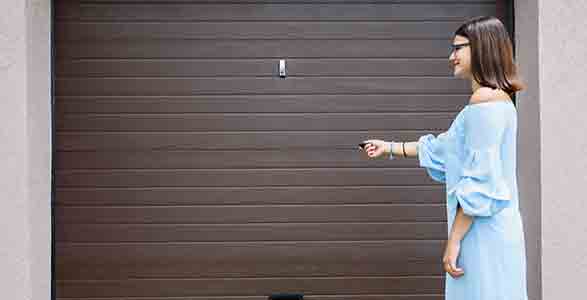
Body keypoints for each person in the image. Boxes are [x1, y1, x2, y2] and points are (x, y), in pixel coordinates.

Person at [360, 16, 528, 300]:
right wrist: (388, 146)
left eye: (457, 48)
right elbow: (443, 149)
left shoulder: (484, 102)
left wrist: (454, 240)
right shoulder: (498, 100)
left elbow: (480, 182)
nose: (451, 56)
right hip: (489, 229)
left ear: (480, 48)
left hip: (482, 233)